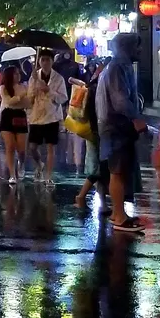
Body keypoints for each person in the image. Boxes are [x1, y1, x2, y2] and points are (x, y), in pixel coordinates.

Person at [95, 32, 147, 231]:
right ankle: (119, 215)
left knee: (119, 171)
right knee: (117, 171)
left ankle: (120, 213)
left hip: (113, 127)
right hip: (116, 127)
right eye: (137, 46)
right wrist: (135, 118)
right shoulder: (118, 68)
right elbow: (120, 100)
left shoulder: (117, 66)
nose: (140, 50)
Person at [26, 47, 69, 185]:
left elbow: (63, 98)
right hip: (36, 116)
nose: (45, 62)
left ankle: (48, 176)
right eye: (42, 60)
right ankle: (39, 164)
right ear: (39, 61)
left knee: (51, 147)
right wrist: (34, 88)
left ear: (52, 61)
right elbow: (29, 97)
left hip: (52, 116)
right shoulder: (34, 77)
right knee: (32, 147)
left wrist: (49, 90)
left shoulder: (59, 78)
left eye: (48, 60)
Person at [72, 60, 106, 209]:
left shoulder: (92, 86)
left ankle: (103, 203)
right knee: (98, 168)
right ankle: (81, 196)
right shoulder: (98, 89)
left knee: (99, 168)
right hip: (96, 131)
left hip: (92, 130)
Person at [0, 63, 30, 183]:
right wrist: (20, 97)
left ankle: (21, 162)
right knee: (10, 146)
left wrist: (19, 99)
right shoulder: (4, 87)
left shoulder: (24, 86)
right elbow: (8, 101)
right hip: (7, 116)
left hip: (20, 115)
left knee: (21, 149)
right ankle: (12, 174)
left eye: (18, 73)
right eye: (15, 73)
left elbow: (27, 104)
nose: (18, 75)